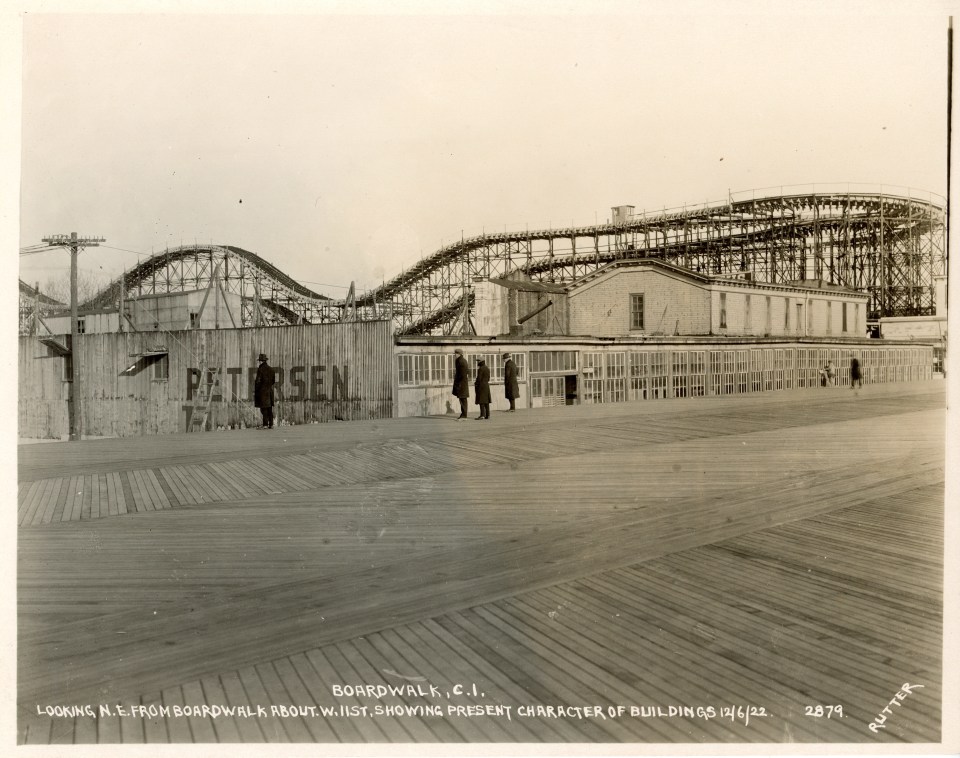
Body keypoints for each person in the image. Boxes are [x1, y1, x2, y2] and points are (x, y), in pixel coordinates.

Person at [254, 353, 276, 429]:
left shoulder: (260, 369)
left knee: (264, 408)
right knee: (269, 408)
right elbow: (273, 381)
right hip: (269, 391)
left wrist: (256, 390)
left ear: (260, 361)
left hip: (262, 392)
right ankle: (271, 424)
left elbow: (258, 381)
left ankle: (265, 424)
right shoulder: (271, 369)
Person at [451, 348, 469, 420]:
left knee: (463, 399)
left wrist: (458, 382)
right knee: (462, 399)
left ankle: (464, 415)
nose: (455, 355)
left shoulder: (461, 361)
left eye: (455, 354)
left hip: (461, 384)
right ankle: (463, 414)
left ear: (459, 354)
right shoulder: (461, 361)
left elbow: (462, 374)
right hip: (462, 383)